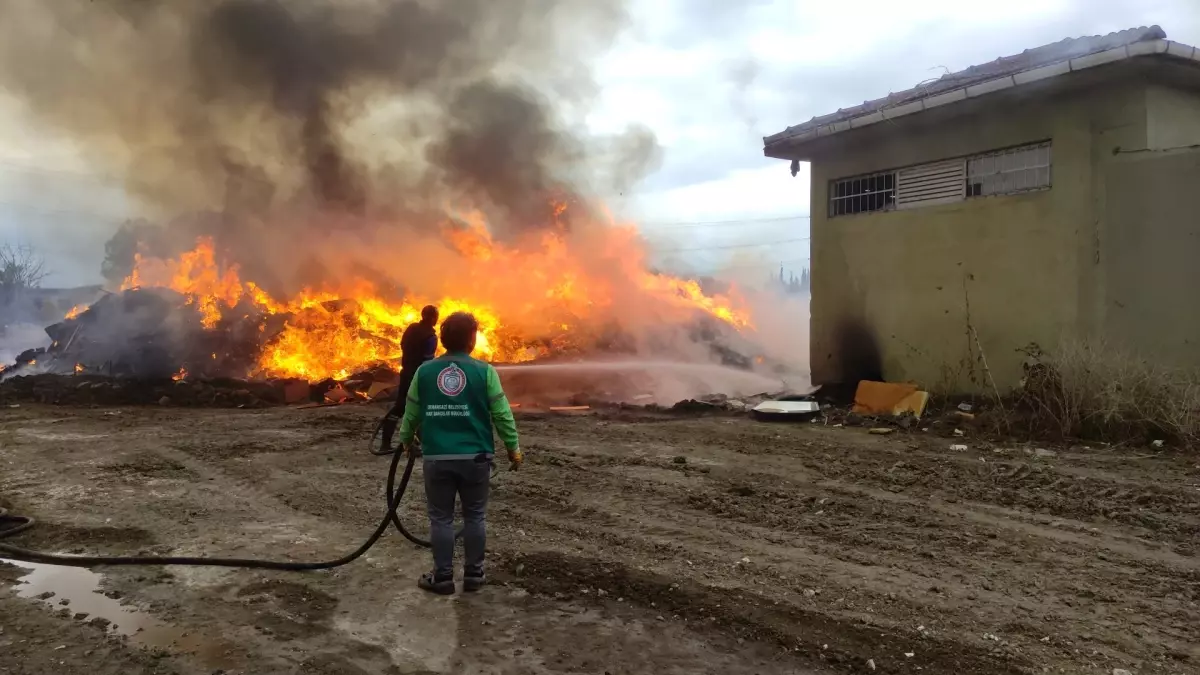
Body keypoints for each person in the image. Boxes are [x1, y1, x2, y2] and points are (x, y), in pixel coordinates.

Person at [397, 311, 521, 595]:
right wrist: (513, 449)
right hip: (476, 458)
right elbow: (502, 415)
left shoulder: (424, 372)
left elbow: (411, 412)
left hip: (437, 457)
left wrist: (406, 440)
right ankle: (474, 575)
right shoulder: (484, 372)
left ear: (442, 340)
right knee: (475, 516)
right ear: (471, 340)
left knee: (441, 518)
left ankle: (442, 578)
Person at [380, 305, 439, 453]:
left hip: (406, 373)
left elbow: (403, 345)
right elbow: (427, 360)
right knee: (422, 409)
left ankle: (385, 444)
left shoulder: (411, 329)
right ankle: (418, 445)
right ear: (432, 318)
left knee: (399, 408)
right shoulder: (430, 337)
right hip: (419, 377)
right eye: (436, 316)